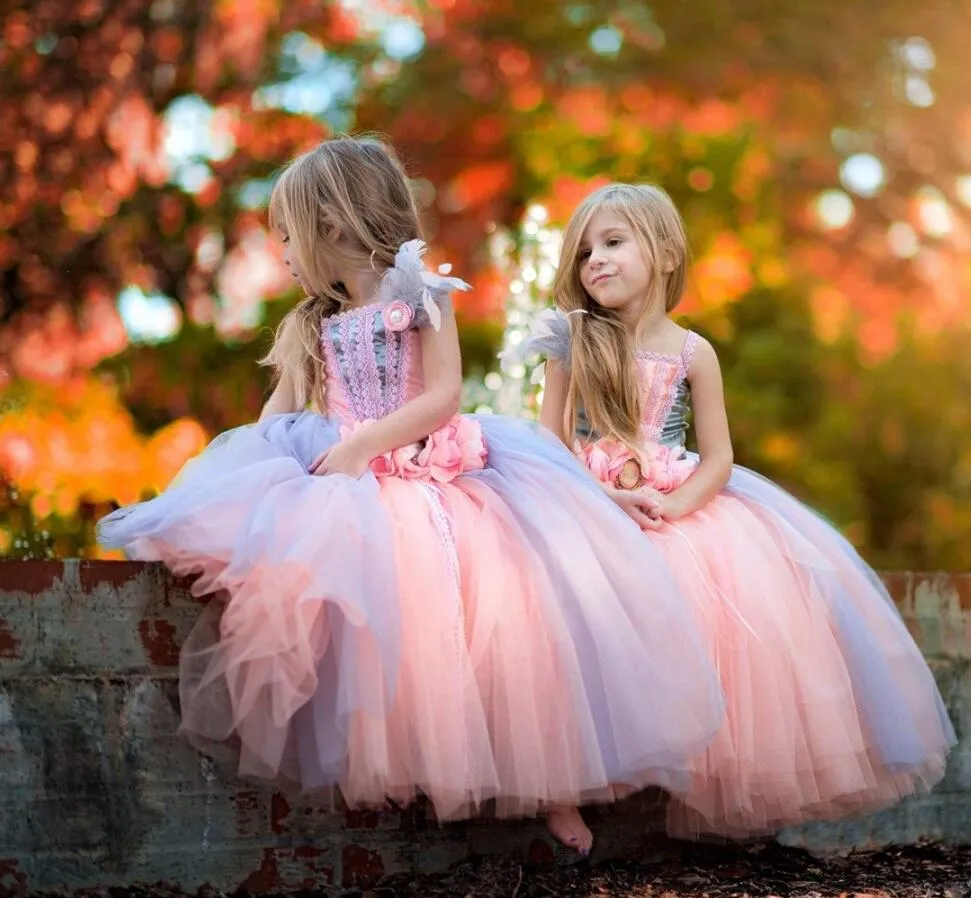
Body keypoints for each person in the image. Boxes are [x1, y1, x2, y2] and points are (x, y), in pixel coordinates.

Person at [98, 139, 725, 855]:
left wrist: (365, 446)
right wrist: (247, 481)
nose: (280, 251)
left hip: (435, 481)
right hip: (352, 485)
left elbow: (444, 394)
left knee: (512, 630)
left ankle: (554, 789)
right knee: (390, 638)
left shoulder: (420, 291)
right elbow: (276, 414)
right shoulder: (311, 321)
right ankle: (422, 766)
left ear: (330, 224)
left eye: (285, 233)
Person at [528, 181, 955, 838]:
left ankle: (705, 770)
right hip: (587, 497)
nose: (595, 262)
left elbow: (719, 457)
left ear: (665, 254)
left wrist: (673, 508)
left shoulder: (694, 353)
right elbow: (549, 437)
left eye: (612, 243)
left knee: (719, 622)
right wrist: (604, 498)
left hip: (673, 500)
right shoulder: (572, 339)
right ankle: (562, 785)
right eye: (583, 252)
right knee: (556, 614)